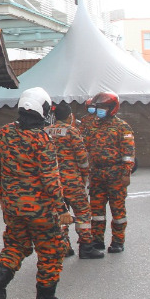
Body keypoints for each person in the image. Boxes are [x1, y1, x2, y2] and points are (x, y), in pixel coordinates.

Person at [0, 87, 73, 299]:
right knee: (51, 251)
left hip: (13, 206)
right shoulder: (42, 138)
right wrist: (61, 208)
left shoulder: (4, 133)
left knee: (16, 244)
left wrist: (0, 195)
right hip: (41, 210)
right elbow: (50, 177)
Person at [79, 91, 135, 254]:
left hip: (116, 173)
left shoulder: (122, 127)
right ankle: (97, 240)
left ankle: (118, 241)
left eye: (103, 107)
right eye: (99, 107)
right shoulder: (92, 126)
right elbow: (86, 147)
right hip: (96, 173)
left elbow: (128, 152)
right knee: (96, 211)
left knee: (118, 210)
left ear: (112, 107)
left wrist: (126, 173)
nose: (100, 110)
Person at [46, 103, 103, 259]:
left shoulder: (45, 132)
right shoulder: (72, 131)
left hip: (52, 181)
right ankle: (86, 247)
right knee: (83, 211)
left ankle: (64, 246)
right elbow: (82, 157)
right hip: (71, 180)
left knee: (60, 213)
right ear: (70, 116)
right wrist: (85, 175)